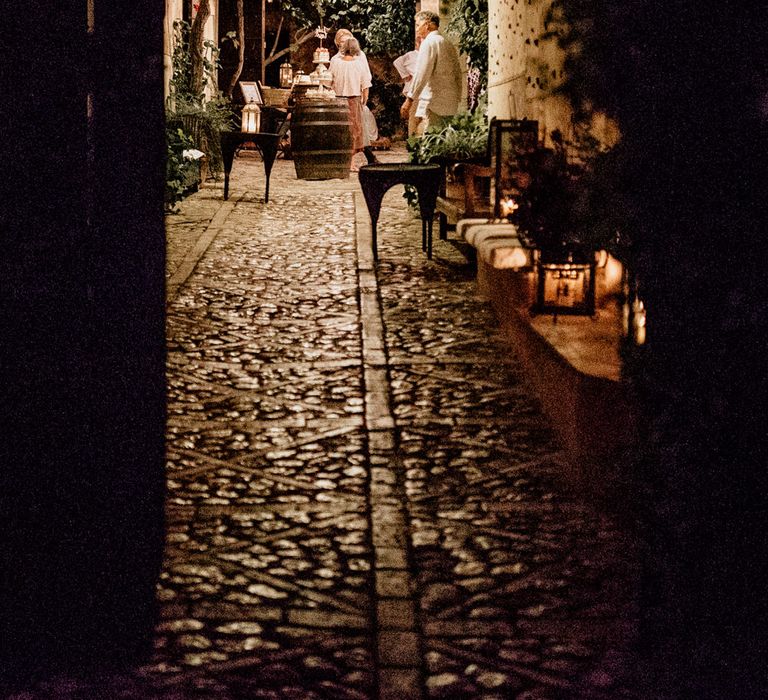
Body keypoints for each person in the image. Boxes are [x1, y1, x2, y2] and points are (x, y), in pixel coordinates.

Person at [400, 10, 462, 131]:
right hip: (450, 102)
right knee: (443, 141)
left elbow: (421, 73)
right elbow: (458, 73)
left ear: (427, 24)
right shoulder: (448, 43)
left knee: (430, 141)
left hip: (433, 103)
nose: (417, 29)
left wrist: (409, 99)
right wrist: (458, 96)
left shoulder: (428, 43)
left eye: (418, 25)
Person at [331, 29, 377, 163]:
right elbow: (365, 83)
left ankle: (360, 159)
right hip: (350, 99)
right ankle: (352, 160)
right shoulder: (337, 60)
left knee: (355, 129)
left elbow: (365, 79)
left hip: (348, 98)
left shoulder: (355, 59)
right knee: (354, 130)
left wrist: (364, 99)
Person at [393, 35, 426, 136]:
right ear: (418, 44)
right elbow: (397, 62)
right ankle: (412, 141)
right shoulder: (411, 55)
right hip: (414, 90)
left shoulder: (427, 55)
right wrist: (405, 75)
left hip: (423, 89)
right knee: (414, 116)